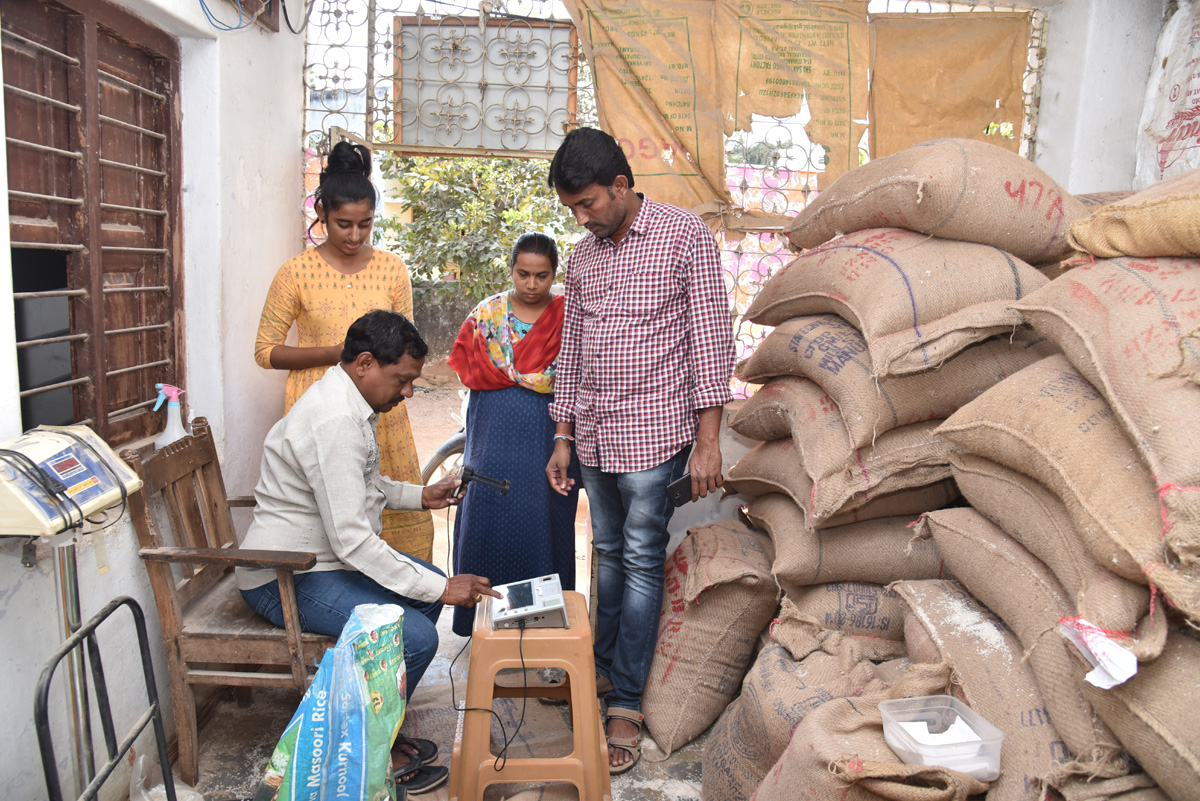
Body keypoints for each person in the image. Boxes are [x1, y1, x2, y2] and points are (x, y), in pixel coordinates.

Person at [238, 310, 501, 796]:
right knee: (418, 635)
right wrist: (442, 588)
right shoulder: (335, 419)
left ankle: (378, 724)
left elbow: (360, 484)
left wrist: (418, 495)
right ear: (364, 363)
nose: (406, 394)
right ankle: (363, 748)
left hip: (319, 561)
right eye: (402, 380)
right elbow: (353, 542)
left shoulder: (346, 400)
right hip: (284, 577)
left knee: (422, 594)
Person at [544, 127, 734, 773]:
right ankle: (597, 672)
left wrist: (708, 440)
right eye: (572, 207)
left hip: (654, 434)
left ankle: (626, 700)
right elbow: (572, 350)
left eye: (589, 202)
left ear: (621, 185)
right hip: (593, 433)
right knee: (604, 553)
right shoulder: (584, 257)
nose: (582, 216)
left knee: (640, 558)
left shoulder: (685, 237)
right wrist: (563, 434)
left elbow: (711, 340)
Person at [254, 141, 435, 563]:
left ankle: (401, 603)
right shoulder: (295, 272)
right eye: (343, 224)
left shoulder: (393, 269)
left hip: (382, 409)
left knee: (387, 512)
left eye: (365, 225)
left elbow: (406, 343)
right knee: (332, 520)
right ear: (321, 214)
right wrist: (335, 353)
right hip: (319, 405)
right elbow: (265, 351)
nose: (354, 236)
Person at [445, 233, 581, 637]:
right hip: (491, 436)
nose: (533, 284)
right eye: (524, 274)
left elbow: (573, 380)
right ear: (511, 270)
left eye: (542, 275)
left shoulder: (568, 317)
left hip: (545, 432)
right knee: (486, 515)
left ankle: (541, 626)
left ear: (554, 275)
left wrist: (563, 438)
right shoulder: (486, 316)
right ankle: (483, 624)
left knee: (542, 517)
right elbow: (466, 367)